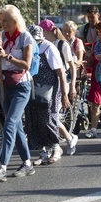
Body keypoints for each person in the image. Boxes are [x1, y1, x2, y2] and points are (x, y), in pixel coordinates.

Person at [0, 5, 35, 182]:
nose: (3, 24)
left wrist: (7, 56)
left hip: (21, 86)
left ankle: (3, 166)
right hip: (4, 85)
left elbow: (26, 64)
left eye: (6, 21)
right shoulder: (2, 38)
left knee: (10, 123)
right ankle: (27, 163)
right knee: (16, 127)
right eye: (1, 21)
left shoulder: (25, 37)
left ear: (15, 20)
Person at [25, 25, 71, 165]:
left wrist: (64, 94)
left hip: (49, 89)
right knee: (33, 121)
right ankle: (43, 152)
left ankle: (56, 147)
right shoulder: (27, 48)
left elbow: (61, 73)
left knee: (48, 120)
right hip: (32, 88)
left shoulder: (49, 48)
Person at [39, 19, 78, 156]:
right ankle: (55, 144)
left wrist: (72, 86)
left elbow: (72, 67)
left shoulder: (62, 45)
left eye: (43, 31)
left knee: (51, 115)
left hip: (61, 83)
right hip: (48, 85)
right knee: (46, 115)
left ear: (50, 31)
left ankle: (67, 138)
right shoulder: (43, 45)